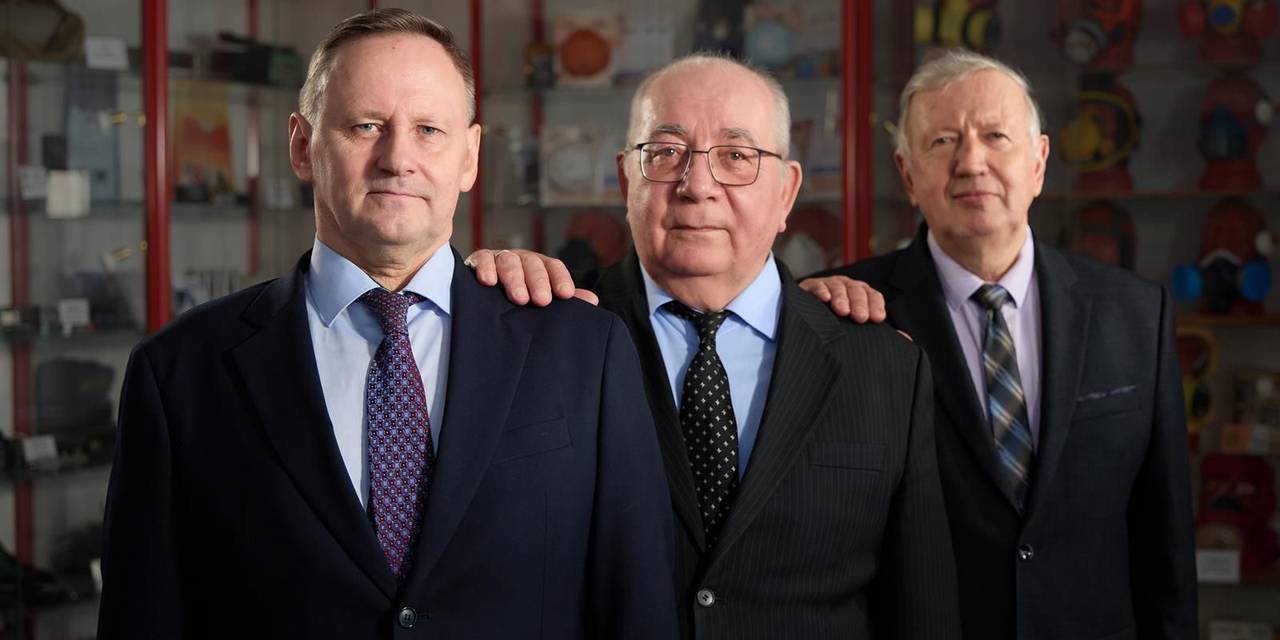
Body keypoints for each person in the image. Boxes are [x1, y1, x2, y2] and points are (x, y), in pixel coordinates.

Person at [96, 9, 676, 639]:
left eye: (429, 130)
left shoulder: (582, 348)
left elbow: (636, 603)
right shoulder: (180, 371)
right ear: (301, 146)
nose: (398, 158)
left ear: (470, 157)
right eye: (365, 126)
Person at [476, 54, 960, 639]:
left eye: (736, 157)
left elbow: (922, 609)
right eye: (666, 152)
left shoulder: (885, 366)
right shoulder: (545, 339)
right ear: (627, 179)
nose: (697, 186)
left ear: (787, 192)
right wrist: (473, 294)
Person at [803, 49, 1197, 639]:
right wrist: (798, 315)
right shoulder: (847, 314)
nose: (971, 162)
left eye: (995, 136)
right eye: (942, 142)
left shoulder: (1136, 313)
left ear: (1038, 162)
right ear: (907, 175)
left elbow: (1164, 538)